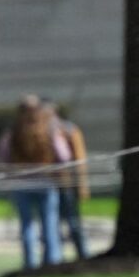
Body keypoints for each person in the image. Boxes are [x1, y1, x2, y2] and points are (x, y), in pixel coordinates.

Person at [0, 95, 69, 270]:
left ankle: (30, 263)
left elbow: (2, 159)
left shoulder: (11, 134)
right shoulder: (50, 131)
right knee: (49, 223)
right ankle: (52, 261)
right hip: (46, 183)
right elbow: (64, 156)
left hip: (21, 185)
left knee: (26, 225)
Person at [49, 104, 90, 261]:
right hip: (50, 184)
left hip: (67, 183)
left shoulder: (68, 130)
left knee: (73, 222)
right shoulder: (40, 130)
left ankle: (82, 254)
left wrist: (82, 184)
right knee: (53, 224)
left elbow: (78, 158)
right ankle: (56, 257)